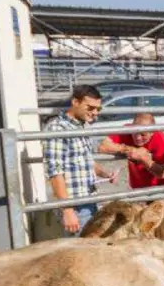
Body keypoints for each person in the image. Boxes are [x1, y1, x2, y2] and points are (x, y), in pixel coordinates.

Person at [43, 85, 117, 237]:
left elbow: (86, 161)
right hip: (74, 204)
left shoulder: (82, 126)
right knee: (80, 252)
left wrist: (105, 173)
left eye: (98, 109)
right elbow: (55, 172)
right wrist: (67, 210)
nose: (95, 113)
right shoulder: (58, 128)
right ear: (75, 102)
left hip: (89, 199)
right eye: (90, 107)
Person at [98, 113, 164, 189]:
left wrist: (142, 158)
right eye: (135, 133)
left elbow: (163, 174)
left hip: (160, 190)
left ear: (152, 133)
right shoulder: (127, 130)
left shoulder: (161, 140)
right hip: (137, 188)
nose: (138, 138)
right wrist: (130, 150)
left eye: (143, 134)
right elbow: (103, 147)